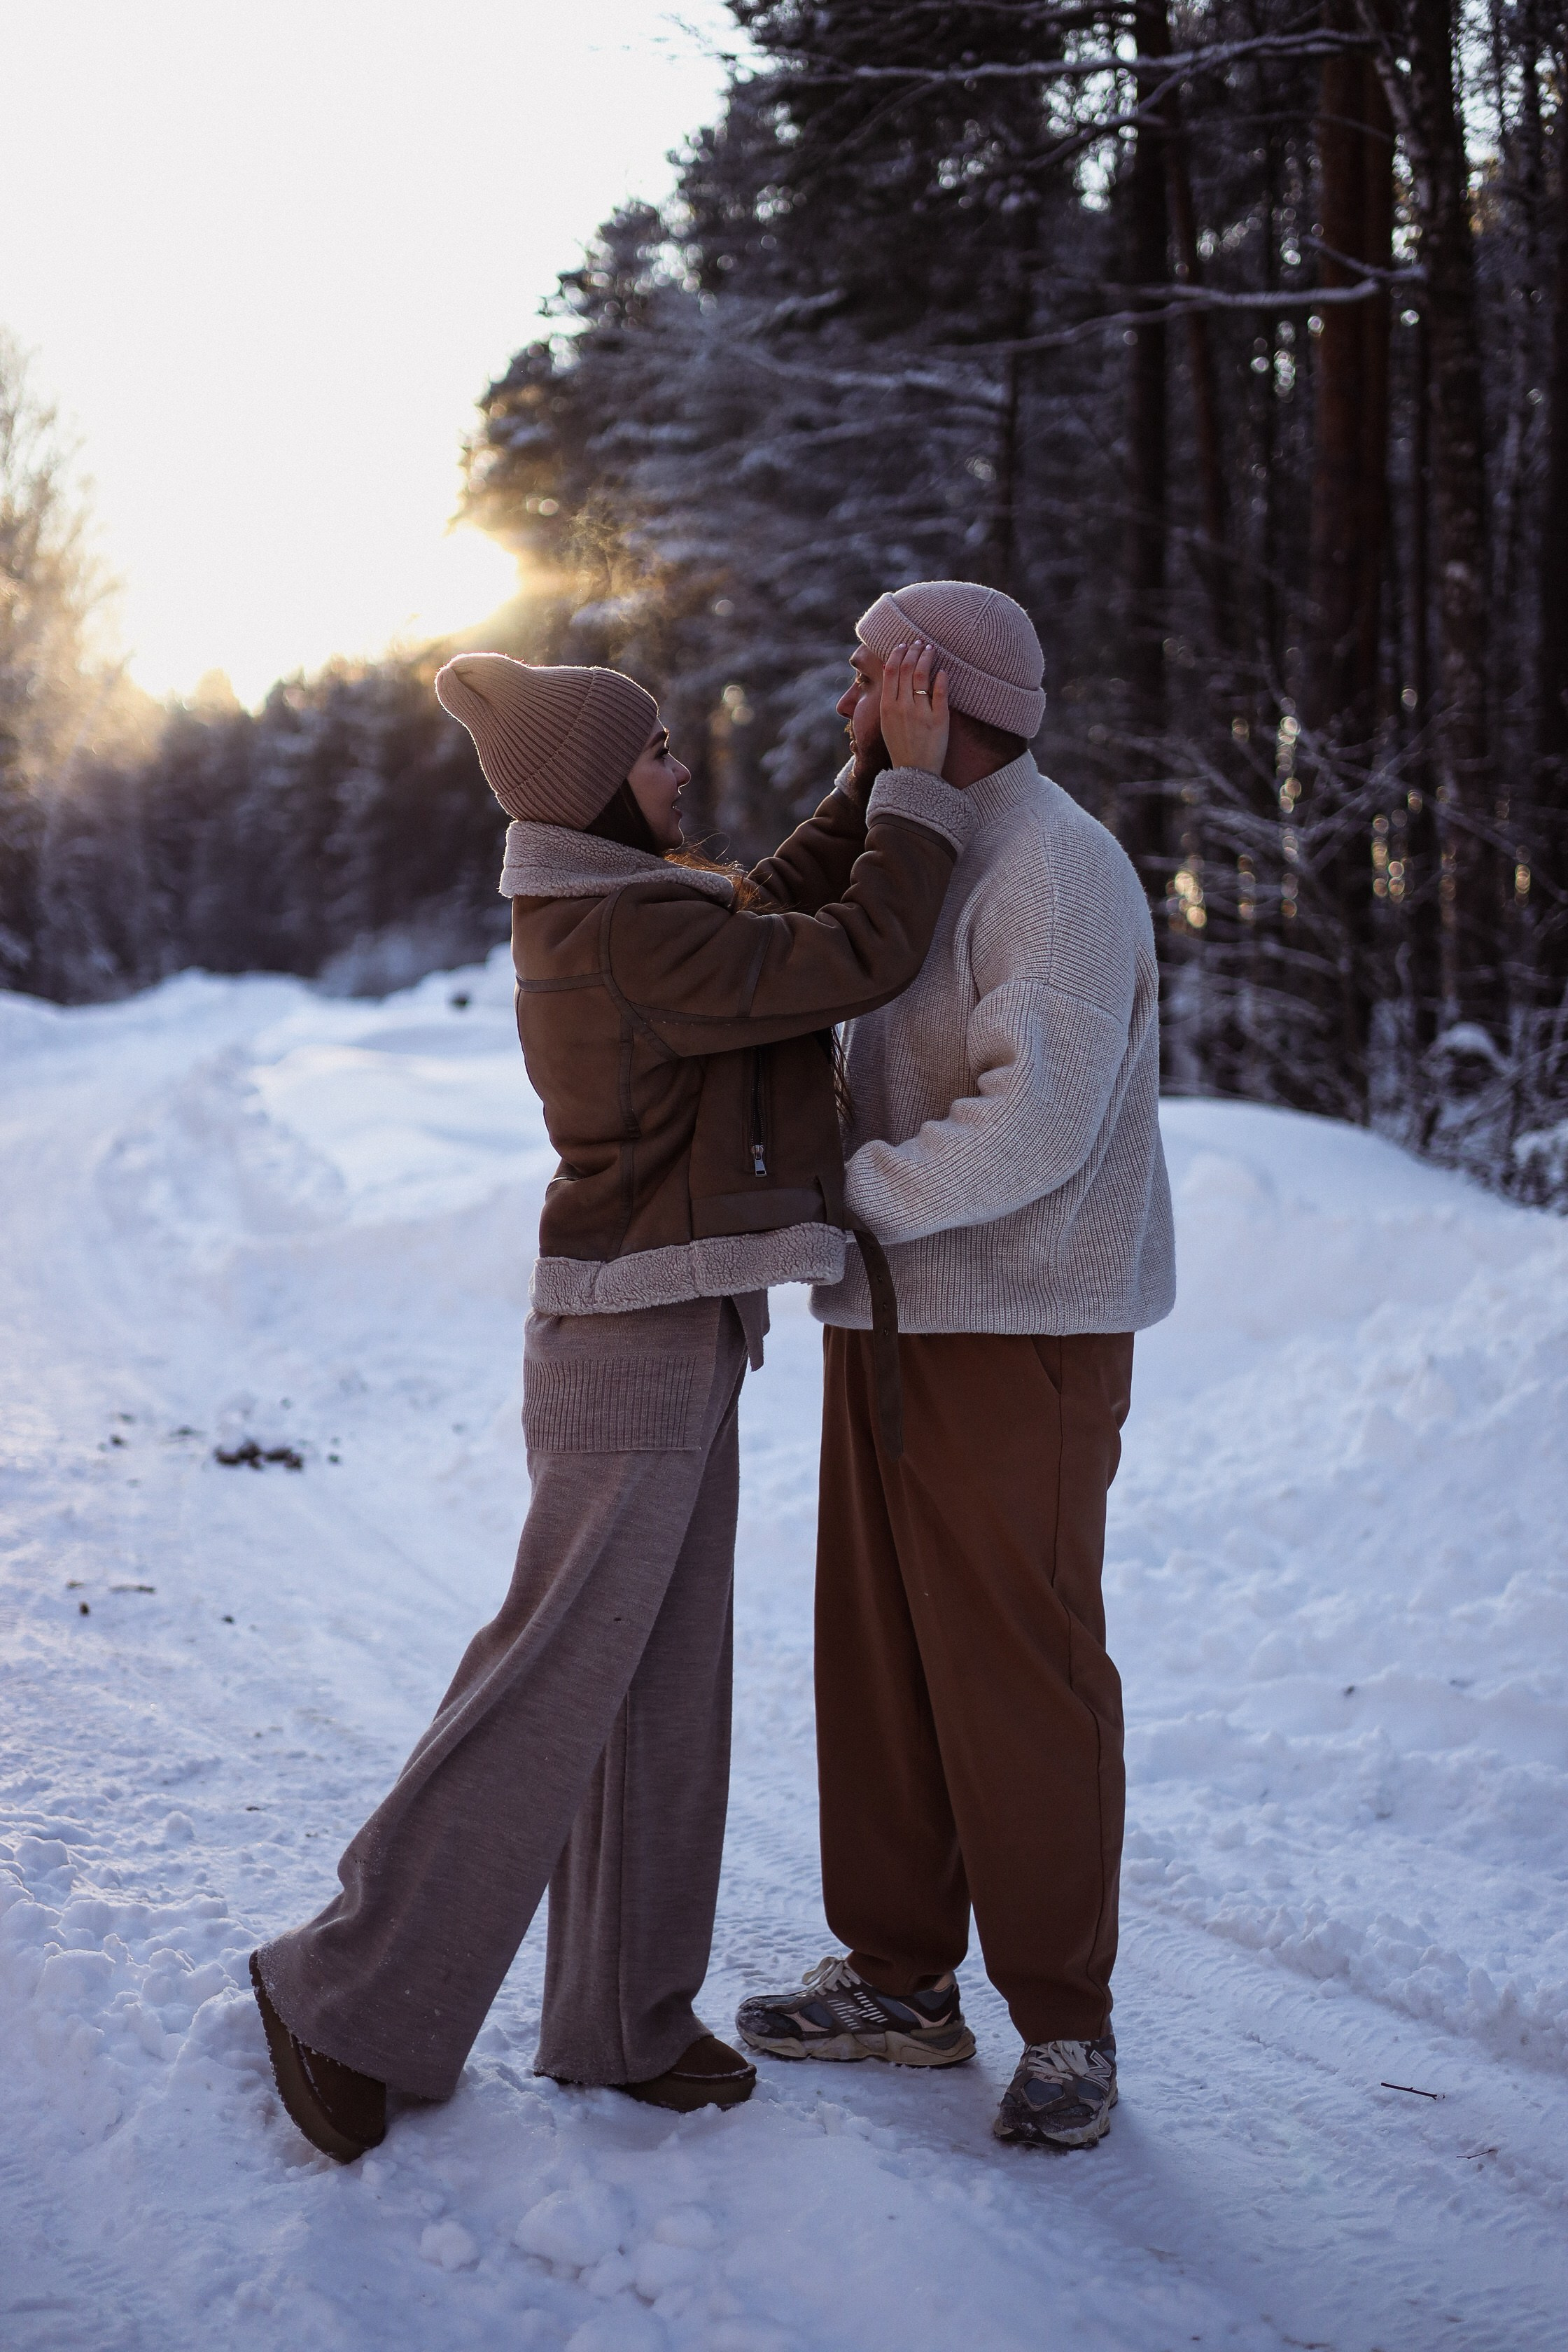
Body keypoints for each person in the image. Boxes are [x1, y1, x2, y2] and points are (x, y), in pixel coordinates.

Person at [248, 639, 973, 2162]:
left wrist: (860, 781)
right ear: (596, 794)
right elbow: (847, 956)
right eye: (652, 754)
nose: (678, 769)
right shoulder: (626, 932)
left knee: (658, 1677)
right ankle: (343, 1992)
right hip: (626, 1345)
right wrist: (911, 788)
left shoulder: (635, 908)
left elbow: (769, 906)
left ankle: (620, 2021)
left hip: (673, 1322)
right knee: (555, 1678)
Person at [735, 580, 1176, 2151]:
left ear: (938, 685)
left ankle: (1065, 2023)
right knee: (880, 1661)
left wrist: (840, 1200)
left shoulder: (1057, 869)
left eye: (869, 677)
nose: (844, 705)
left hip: (1023, 1327)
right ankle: (902, 1984)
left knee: (1018, 1675)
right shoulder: (912, 834)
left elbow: (1035, 1125)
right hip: (896, 1318)